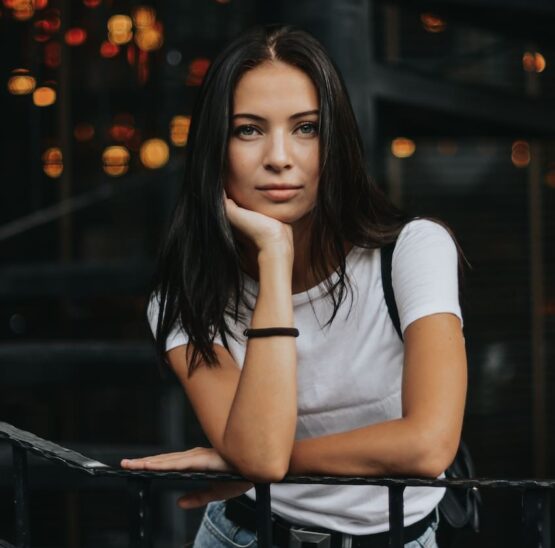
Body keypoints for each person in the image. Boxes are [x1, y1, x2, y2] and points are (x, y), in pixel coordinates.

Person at [121, 23, 467, 548]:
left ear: (337, 142)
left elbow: (429, 445)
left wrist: (256, 465)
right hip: (245, 536)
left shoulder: (412, 251)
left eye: (306, 128)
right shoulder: (184, 296)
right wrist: (275, 258)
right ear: (216, 146)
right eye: (248, 130)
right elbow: (259, 453)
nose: (279, 157)